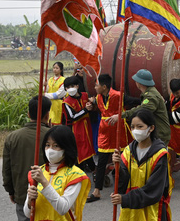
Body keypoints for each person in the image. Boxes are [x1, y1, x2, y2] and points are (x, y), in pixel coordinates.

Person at [111, 109, 175, 221]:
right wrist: (117, 167)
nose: (135, 130)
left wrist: (125, 199)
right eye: (133, 127)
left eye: (140, 127)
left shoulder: (160, 155)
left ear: (151, 128)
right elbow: (121, 184)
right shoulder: (128, 151)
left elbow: (154, 191)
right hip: (131, 216)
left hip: (153, 215)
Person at [25, 125, 90, 221]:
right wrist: (29, 200)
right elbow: (27, 213)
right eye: (47, 145)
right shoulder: (37, 172)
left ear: (66, 148)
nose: (50, 150)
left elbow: (62, 208)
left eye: (56, 146)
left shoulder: (74, 175)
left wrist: (44, 183)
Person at [2, 95, 51, 221]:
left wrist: (11, 191)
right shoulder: (53, 136)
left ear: (28, 114)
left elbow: (7, 170)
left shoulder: (12, 137)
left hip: (23, 194)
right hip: (50, 194)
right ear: (48, 114)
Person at [87, 73, 131, 203]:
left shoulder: (118, 95)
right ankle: (97, 191)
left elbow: (133, 102)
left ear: (104, 86)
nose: (95, 87)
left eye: (97, 85)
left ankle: (122, 189)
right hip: (105, 132)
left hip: (118, 131)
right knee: (101, 162)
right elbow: (97, 108)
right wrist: (91, 107)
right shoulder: (99, 98)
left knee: (122, 161)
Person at [110, 69, 171, 147]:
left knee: (155, 157)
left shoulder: (151, 96)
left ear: (140, 83)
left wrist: (120, 115)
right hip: (157, 133)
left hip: (159, 134)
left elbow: (142, 110)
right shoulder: (150, 93)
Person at [61, 75, 96, 172]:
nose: (70, 89)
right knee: (80, 148)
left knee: (88, 146)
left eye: (72, 86)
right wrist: (86, 110)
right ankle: (81, 169)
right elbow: (72, 117)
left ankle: (91, 168)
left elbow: (91, 108)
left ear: (77, 86)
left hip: (87, 126)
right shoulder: (66, 102)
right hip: (76, 128)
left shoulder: (85, 95)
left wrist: (91, 105)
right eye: (68, 87)